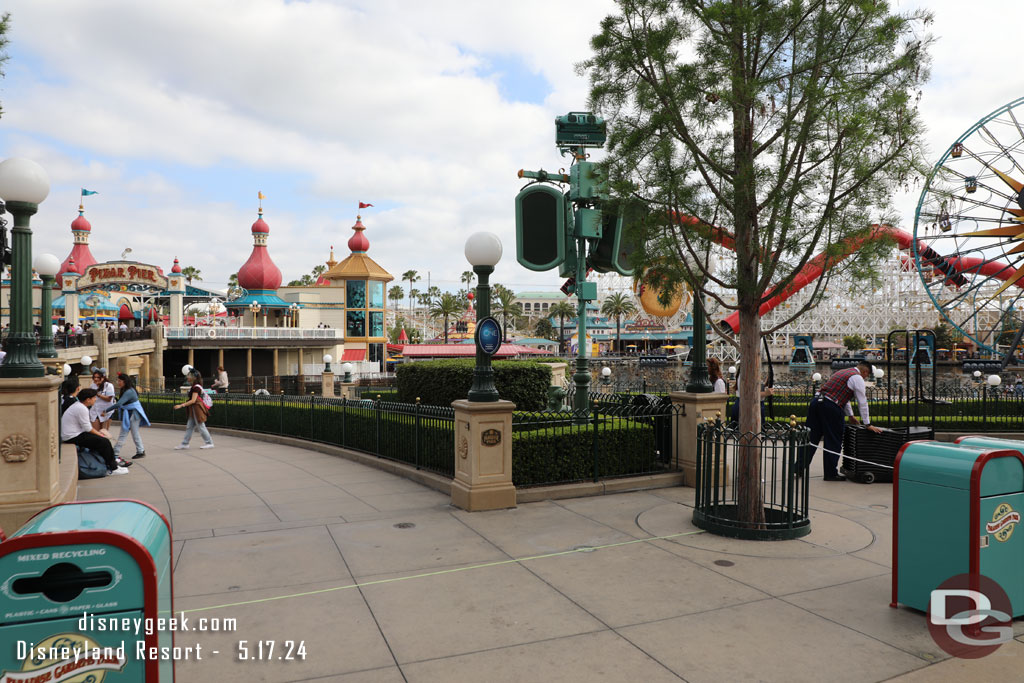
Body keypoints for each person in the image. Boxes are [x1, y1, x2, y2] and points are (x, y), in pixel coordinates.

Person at [800, 360, 882, 481]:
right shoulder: (857, 378)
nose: (866, 377)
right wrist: (867, 424)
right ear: (865, 371)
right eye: (867, 375)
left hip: (816, 402)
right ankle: (830, 473)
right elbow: (862, 402)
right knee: (833, 440)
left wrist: (850, 415)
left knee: (811, 438)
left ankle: (799, 467)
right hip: (831, 407)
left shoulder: (842, 372)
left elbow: (844, 396)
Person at [61, 388, 128, 475]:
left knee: (100, 441)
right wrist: (100, 435)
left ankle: (109, 464)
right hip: (72, 436)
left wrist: (98, 434)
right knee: (104, 442)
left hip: (74, 434)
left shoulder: (78, 406)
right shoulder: (81, 408)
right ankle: (113, 468)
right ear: (88, 399)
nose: (95, 400)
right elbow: (88, 428)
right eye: (94, 398)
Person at [104, 373, 149, 460]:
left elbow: (119, 404)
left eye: (119, 381)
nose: (118, 382)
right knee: (126, 433)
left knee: (131, 433)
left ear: (125, 381)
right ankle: (117, 452)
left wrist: (106, 411)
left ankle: (118, 452)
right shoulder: (127, 390)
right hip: (130, 413)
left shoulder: (129, 391)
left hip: (133, 414)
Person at [173, 368, 215, 449]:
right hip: (194, 409)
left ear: (194, 378)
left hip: (197, 409)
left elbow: (193, 400)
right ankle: (185, 443)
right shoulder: (195, 387)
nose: (188, 377)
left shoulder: (196, 387)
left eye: (189, 375)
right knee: (190, 426)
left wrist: (181, 405)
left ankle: (209, 442)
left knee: (201, 426)